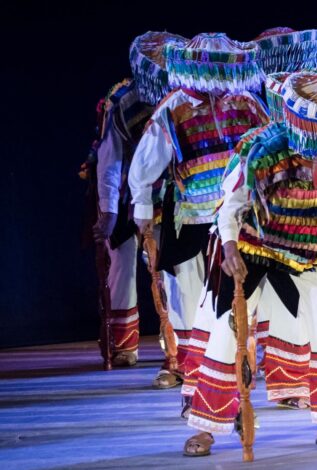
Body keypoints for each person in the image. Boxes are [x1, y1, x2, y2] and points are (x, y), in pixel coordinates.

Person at [183, 70, 317, 456]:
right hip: (255, 249)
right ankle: (206, 426)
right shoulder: (265, 149)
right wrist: (229, 250)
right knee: (229, 330)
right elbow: (230, 206)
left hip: (312, 251)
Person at [129, 33, 269, 388]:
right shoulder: (174, 107)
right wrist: (142, 204)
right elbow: (147, 162)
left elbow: (267, 150)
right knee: (187, 294)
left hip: (239, 217)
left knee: (244, 292)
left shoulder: (248, 104)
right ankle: (185, 366)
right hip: (192, 213)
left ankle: (240, 363)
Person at [92, 31, 186, 373]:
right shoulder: (126, 105)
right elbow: (110, 161)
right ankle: (124, 345)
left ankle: (177, 345)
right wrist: (111, 212)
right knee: (123, 268)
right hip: (130, 199)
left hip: (174, 198)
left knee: (172, 271)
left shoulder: (185, 101)